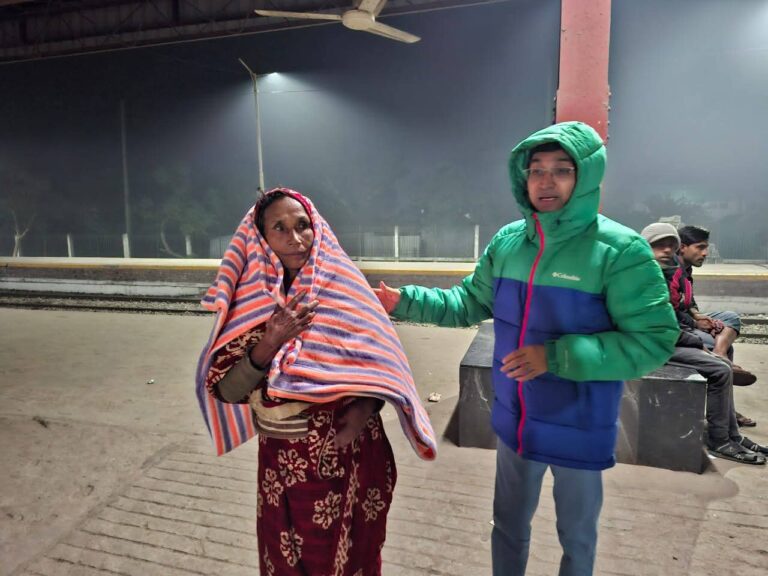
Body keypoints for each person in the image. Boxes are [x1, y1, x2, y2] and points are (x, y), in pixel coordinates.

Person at [375, 122, 679, 576]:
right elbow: (468, 303)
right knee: (508, 526)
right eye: (536, 170)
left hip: (579, 424)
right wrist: (403, 301)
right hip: (516, 420)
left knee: (577, 537)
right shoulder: (509, 242)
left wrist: (555, 357)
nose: (545, 181)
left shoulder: (620, 251)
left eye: (561, 170)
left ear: (586, 177)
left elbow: (654, 340)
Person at [196, 188, 436, 576]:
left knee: (351, 558)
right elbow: (226, 390)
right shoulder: (250, 305)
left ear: (317, 228)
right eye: (279, 228)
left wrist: (366, 406)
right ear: (260, 239)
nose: (295, 238)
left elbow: (384, 364)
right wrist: (271, 340)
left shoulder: (347, 290)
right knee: (285, 559)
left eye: (302, 225)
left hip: (349, 455)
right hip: (282, 466)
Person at [640, 222, 766, 465]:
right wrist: (699, 342)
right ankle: (720, 440)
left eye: (671, 245)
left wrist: (696, 328)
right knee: (720, 368)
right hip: (651, 345)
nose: (667, 250)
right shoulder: (643, 277)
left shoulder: (663, 273)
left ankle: (732, 435)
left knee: (722, 362)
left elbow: (675, 316)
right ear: (643, 246)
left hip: (667, 337)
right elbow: (660, 326)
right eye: (659, 245)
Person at [677, 224, 757, 426]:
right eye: (700, 247)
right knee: (723, 347)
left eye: (706, 247)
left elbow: (689, 303)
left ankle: (720, 354)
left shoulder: (687, 270)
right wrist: (696, 323)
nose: (705, 253)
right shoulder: (670, 272)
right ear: (683, 247)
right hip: (677, 330)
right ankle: (726, 411)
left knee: (730, 317)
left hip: (689, 322)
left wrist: (700, 316)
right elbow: (670, 313)